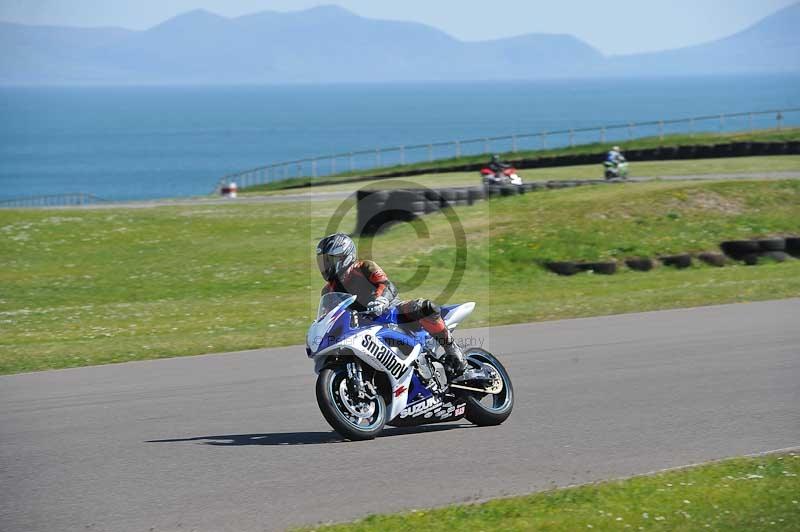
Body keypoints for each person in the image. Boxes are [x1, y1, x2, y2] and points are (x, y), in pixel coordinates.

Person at [316, 233, 479, 381]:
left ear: (344, 256)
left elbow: (387, 285)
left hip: (389, 313)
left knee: (424, 307)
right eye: (322, 261)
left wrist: (381, 300)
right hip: (361, 328)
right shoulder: (328, 290)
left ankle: (452, 350)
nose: (325, 266)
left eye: (329, 260)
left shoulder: (363, 267)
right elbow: (330, 316)